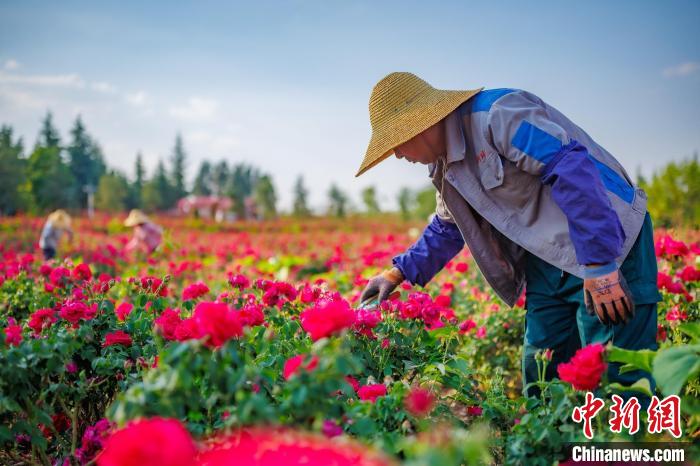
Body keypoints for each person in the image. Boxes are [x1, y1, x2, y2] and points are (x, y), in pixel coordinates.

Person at [358, 72, 661, 397]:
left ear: (419, 125)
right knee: (544, 370)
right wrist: (397, 272)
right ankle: (552, 446)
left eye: (396, 144)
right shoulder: (444, 166)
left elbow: (570, 169)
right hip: (548, 257)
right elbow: (448, 226)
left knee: (617, 371)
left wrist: (601, 264)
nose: (398, 156)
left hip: (605, 239)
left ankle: (628, 444)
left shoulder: (498, 115)